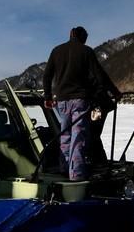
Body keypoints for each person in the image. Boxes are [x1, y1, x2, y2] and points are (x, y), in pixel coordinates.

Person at [43, 26, 112, 181]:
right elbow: (99, 74)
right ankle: (77, 174)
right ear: (83, 38)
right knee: (78, 135)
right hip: (80, 99)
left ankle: (64, 167)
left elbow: (47, 75)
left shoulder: (56, 51)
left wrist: (48, 96)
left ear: (71, 34)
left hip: (61, 99)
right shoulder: (86, 51)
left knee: (65, 134)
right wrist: (105, 93)